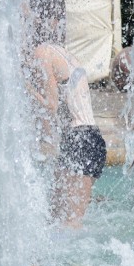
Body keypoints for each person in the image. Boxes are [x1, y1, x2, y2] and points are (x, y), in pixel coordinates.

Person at [26, 37, 107, 229]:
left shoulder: (41, 53)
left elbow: (50, 106)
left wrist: (24, 86)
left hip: (79, 141)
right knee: (56, 220)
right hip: (90, 140)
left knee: (69, 225)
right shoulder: (62, 53)